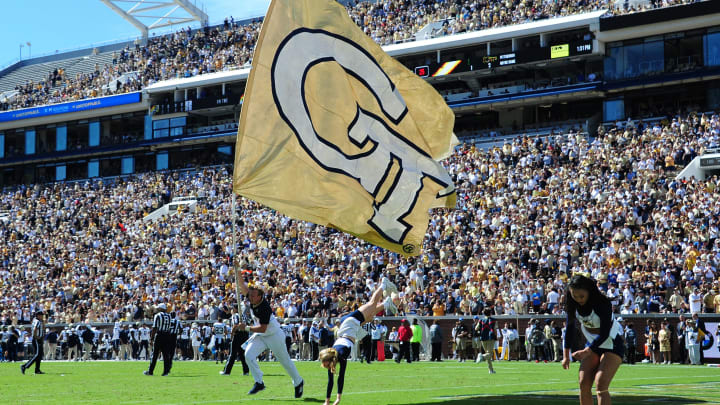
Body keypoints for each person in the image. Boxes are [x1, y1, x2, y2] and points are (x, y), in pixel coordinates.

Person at [318, 277, 397, 405]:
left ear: (329, 360)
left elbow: (340, 378)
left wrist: (338, 398)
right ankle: (386, 304)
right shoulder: (333, 360)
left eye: (324, 362)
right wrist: (327, 401)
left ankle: (383, 284)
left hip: (349, 325)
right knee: (371, 316)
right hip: (352, 333)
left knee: (371, 303)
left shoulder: (341, 356)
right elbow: (331, 381)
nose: (323, 364)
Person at [235, 267, 304, 397]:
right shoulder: (252, 297)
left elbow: (263, 328)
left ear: (260, 296)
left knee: (285, 362)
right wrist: (237, 270)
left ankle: (298, 382)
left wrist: (246, 328)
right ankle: (259, 382)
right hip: (261, 335)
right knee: (248, 355)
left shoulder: (264, 307)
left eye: (253, 296)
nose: (250, 297)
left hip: (273, 335)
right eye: (250, 295)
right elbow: (242, 286)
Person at [563, 274, 624, 405]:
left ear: (589, 291)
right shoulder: (572, 304)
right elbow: (570, 328)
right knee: (583, 383)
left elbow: (605, 333)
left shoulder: (602, 303)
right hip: (592, 346)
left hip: (611, 344)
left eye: (582, 296)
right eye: (575, 296)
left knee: (601, 384)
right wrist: (566, 355)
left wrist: (587, 351)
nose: (578, 299)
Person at [144, 303, 174, 376]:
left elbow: (155, 328)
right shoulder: (169, 316)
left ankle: (151, 371)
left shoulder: (158, 315)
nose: (157, 309)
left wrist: (151, 338)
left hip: (159, 335)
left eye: (158, 308)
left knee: (155, 354)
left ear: (161, 308)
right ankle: (166, 372)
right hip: (167, 335)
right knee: (166, 355)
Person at [221, 305, 251, 375]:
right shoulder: (244, 315)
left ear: (235, 309)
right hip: (245, 334)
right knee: (242, 354)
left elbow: (235, 325)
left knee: (232, 354)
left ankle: (227, 371)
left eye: (232, 308)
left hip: (238, 334)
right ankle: (246, 371)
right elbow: (249, 323)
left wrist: (232, 334)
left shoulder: (235, 315)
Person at [21, 311, 45, 375]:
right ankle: (24, 366)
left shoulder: (35, 320)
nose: (42, 316)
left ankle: (37, 370)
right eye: (41, 315)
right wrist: (36, 336)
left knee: (39, 355)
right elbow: (35, 329)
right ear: (38, 316)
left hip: (37, 339)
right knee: (37, 355)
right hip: (37, 339)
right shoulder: (38, 321)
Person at [476, 308, 496, 374]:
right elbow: (495, 329)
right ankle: (482, 357)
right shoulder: (493, 320)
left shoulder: (481, 320)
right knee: (490, 354)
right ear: (490, 313)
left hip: (483, 337)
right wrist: (497, 336)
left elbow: (476, 328)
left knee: (488, 353)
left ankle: (491, 370)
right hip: (490, 337)